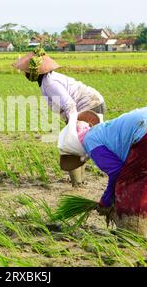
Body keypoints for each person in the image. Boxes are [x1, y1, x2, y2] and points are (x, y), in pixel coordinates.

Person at [58, 104, 147, 239]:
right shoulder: (103, 130)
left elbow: (117, 172)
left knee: (131, 181)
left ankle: (131, 235)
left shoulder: (89, 141)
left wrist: (106, 200)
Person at [13, 47, 106, 187]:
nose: (25, 74)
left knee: (70, 147)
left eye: (26, 71)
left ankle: (77, 186)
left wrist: (71, 128)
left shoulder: (50, 83)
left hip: (89, 107)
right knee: (78, 146)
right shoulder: (46, 81)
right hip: (87, 106)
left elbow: (69, 105)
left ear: (34, 72)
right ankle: (80, 183)